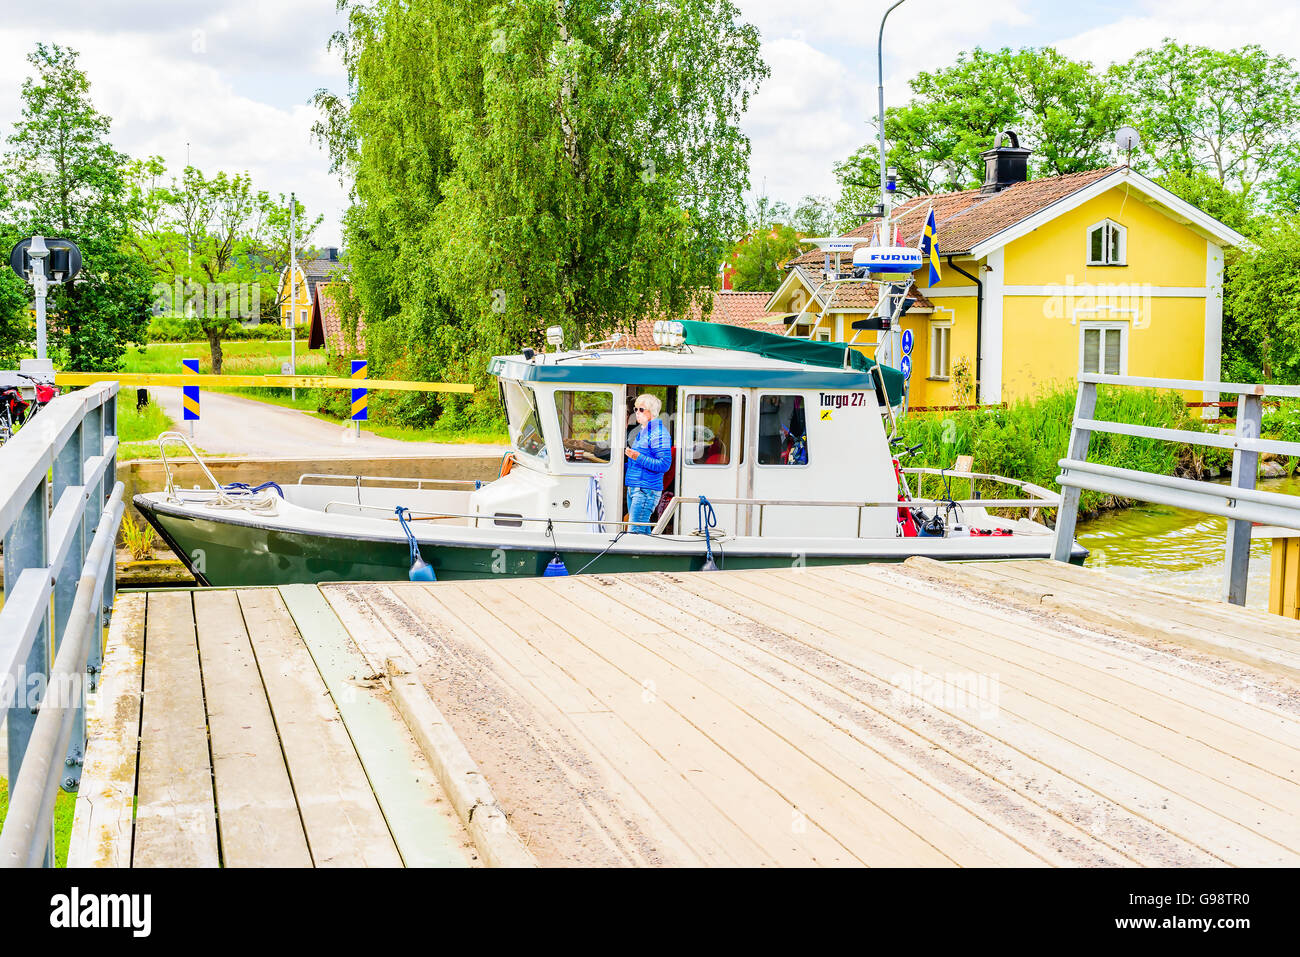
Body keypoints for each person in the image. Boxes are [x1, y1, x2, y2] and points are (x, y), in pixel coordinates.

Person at [624, 393, 672, 534]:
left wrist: (637, 456)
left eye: (641, 409)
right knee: (642, 533)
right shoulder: (644, 431)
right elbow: (637, 463)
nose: (637, 413)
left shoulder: (659, 433)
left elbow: (664, 464)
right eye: (636, 409)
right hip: (636, 488)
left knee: (635, 534)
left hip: (645, 490)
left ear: (652, 412)